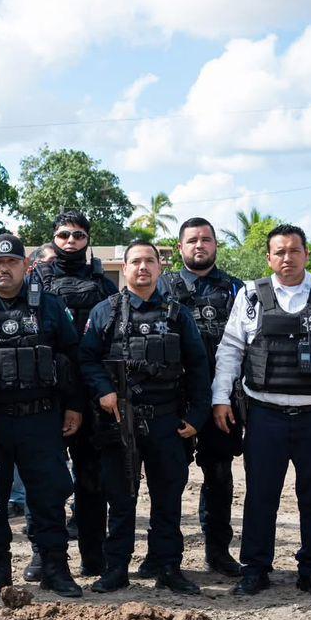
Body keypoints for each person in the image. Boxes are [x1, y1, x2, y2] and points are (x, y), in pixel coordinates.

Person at [211, 224, 311, 599]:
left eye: (294, 251)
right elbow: (231, 350)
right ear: (269, 258)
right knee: (260, 496)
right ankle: (255, 568)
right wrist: (220, 397)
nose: (287, 258)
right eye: (280, 252)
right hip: (264, 414)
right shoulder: (251, 295)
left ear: (306, 254)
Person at [0, 233, 86, 598]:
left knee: (47, 497)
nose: (4, 268)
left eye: (12, 262)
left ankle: (55, 567)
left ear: (25, 266)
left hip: (41, 419)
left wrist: (74, 405)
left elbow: (72, 357)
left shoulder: (50, 307)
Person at [80, 239, 211, 595]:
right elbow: (87, 359)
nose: (142, 268)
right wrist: (104, 391)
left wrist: (198, 416)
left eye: (149, 261)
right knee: (120, 500)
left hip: (167, 422)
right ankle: (116, 569)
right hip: (119, 423)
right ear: (124, 269)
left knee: (167, 499)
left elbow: (199, 367)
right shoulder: (104, 312)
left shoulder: (178, 314)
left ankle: (169, 567)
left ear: (159, 267)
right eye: (135, 262)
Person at [35, 210, 117, 581]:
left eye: (78, 235)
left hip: (90, 395)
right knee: (45, 480)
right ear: (54, 237)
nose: (71, 242)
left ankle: (93, 556)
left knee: (91, 481)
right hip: (48, 394)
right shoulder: (36, 282)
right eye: (64, 235)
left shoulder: (102, 284)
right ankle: (44, 554)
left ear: (88, 239)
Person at [161, 217, 245, 577]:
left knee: (219, 475)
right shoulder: (163, 287)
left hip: (220, 398)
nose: (200, 245)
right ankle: (165, 553)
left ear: (215, 246)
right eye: (192, 240)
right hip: (172, 398)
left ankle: (217, 550)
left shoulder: (236, 289)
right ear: (180, 247)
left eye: (206, 240)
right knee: (169, 477)